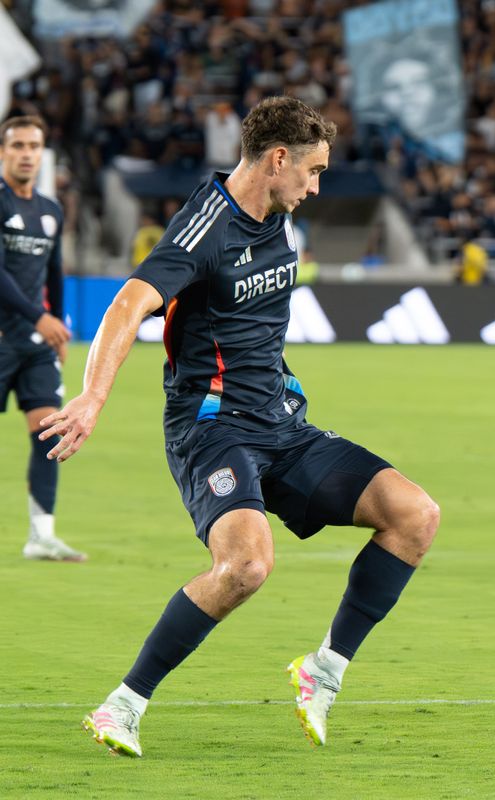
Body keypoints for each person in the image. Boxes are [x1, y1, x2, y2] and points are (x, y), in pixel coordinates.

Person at [40, 97, 440, 757]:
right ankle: (123, 705)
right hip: (213, 431)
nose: (316, 187)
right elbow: (127, 304)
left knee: (416, 516)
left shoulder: (274, 215)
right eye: (311, 171)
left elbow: (246, 322)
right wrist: (92, 397)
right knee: (247, 565)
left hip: (281, 425)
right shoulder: (204, 229)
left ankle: (325, 671)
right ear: (277, 160)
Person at [0, 115, 83, 562]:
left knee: (48, 433)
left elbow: (55, 274)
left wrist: (57, 323)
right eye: (18, 146)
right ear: (3, 153)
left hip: (33, 345)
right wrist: (40, 317)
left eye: (34, 145)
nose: (27, 153)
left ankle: (41, 535)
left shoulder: (50, 210)